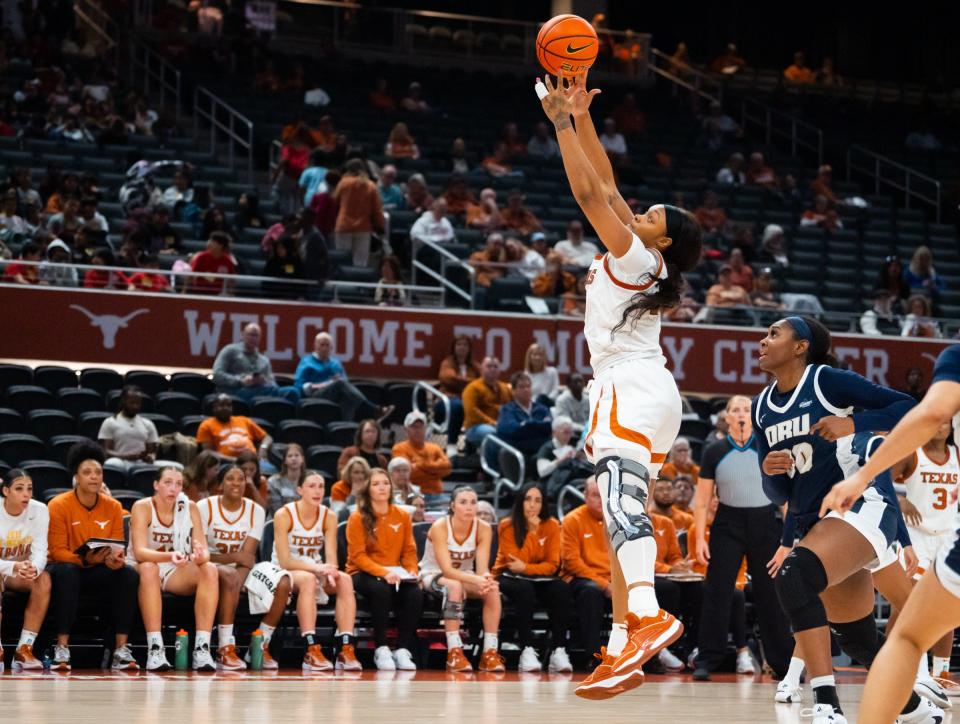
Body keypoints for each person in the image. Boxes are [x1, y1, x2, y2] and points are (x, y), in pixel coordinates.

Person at [538, 70, 703, 699]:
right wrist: (580, 116)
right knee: (620, 513)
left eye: (653, 214)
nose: (640, 209)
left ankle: (649, 613)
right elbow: (605, 182)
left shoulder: (637, 255)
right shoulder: (646, 255)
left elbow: (588, 196)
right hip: (651, 391)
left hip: (627, 385)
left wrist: (557, 125)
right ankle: (617, 649)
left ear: (664, 238)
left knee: (619, 504)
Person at [755, 316, 940, 724]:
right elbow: (781, 494)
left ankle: (826, 704)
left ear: (801, 346)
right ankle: (916, 710)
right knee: (856, 639)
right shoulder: (762, 407)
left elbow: (908, 407)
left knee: (793, 575)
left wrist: (853, 422)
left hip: (862, 505)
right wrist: (769, 471)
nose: (763, 340)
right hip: (816, 522)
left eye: (774, 334)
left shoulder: (827, 381)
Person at [819, 344, 960, 722]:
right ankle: (928, 679)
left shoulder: (955, 360)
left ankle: (931, 676)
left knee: (908, 636)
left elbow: (930, 412)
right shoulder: (907, 455)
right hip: (909, 535)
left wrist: (861, 478)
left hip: (938, 533)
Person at [690, 396, 793, 680]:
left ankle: (782, 663)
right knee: (717, 591)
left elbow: (784, 498)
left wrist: (789, 536)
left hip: (765, 523)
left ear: (755, 415)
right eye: (735, 410)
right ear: (726, 417)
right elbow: (701, 501)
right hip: (727, 524)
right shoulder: (713, 451)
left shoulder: (768, 448)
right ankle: (707, 658)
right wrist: (700, 538)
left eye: (746, 409)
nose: (741, 414)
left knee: (770, 593)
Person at [46, 442, 140, 671]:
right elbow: (57, 551)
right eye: (87, 472)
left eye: (98, 472)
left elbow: (117, 546)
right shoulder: (58, 505)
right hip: (66, 568)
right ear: (76, 477)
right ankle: (62, 648)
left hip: (98, 569)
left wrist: (115, 560)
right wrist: (86, 560)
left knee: (128, 574)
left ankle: (121, 649)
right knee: (68, 572)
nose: (94, 477)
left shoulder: (115, 507)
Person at [128, 466, 220, 671]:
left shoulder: (190, 507)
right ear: (156, 485)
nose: (174, 488)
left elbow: (204, 552)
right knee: (150, 568)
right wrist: (170, 555)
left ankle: (202, 649)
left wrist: (197, 556)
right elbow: (140, 552)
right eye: (168, 482)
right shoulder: (142, 506)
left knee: (210, 569)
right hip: (140, 567)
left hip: (174, 568)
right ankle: (155, 649)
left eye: (178, 484)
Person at [270, 471, 362, 671]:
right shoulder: (284, 514)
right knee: (308, 580)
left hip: (315, 569)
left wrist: (330, 570)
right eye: (311, 486)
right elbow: (285, 560)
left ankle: (345, 647)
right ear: (300, 490)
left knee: (344, 580)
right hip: (284, 571)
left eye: (321, 486)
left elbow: (331, 557)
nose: (317, 491)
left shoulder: (329, 515)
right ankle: (311, 649)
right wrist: (317, 568)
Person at [419, 486, 503, 672]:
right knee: (455, 587)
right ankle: (454, 652)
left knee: (493, 589)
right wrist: (476, 580)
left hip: (466, 576)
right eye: (463, 502)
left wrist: (485, 579)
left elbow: (481, 569)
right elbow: (447, 570)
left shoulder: (484, 528)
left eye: (473, 502)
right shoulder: (440, 526)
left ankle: (489, 653)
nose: (469, 507)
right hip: (433, 574)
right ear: (452, 506)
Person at [346, 468, 422, 671]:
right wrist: (384, 572)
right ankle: (381, 648)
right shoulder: (358, 517)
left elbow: (409, 550)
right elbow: (358, 557)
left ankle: (403, 650)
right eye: (376, 483)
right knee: (381, 589)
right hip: (360, 573)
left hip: (395, 571)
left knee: (415, 593)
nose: (382, 487)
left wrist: (412, 570)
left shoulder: (402, 515)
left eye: (385, 483)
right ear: (368, 489)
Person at [493, 483, 572, 672]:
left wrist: (527, 568)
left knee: (561, 588)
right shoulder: (507, 525)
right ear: (520, 502)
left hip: (537, 577)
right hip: (507, 576)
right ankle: (526, 650)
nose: (532, 505)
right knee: (524, 589)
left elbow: (553, 564)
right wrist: (533, 533)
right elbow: (514, 564)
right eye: (528, 499)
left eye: (537, 500)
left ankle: (558, 650)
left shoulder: (552, 525)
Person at [199, 465, 270, 668]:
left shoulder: (256, 510)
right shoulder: (204, 507)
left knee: (280, 583)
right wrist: (232, 557)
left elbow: (247, 558)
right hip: (206, 567)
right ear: (220, 484)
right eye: (230, 479)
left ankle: (261, 646)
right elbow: (201, 553)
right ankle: (224, 646)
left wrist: (235, 577)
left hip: (239, 571)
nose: (237, 483)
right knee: (228, 575)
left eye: (241, 478)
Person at [0, 469, 50, 670]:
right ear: (6, 491)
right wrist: (13, 566)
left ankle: (24, 649)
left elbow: (41, 550)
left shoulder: (39, 510)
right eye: (19, 489)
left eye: (29, 489)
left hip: (20, 572)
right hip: (5, 568)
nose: (26, 494)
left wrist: (34, 569)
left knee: (44, 579)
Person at [561, 476, 611, 663]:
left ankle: (648, 653)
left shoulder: (617, 519)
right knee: (591, 591)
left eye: (604, 495)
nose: (600, 500)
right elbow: (571, 562)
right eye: (596, 495)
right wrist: (604, 584)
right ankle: (594, 655)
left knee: (652, 589)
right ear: (585, 496)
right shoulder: (572, 520)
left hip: (612, 578)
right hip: (580, 577)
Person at [294, 332, 392, 422]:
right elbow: (299, 385)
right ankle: (373, 410)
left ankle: (345, 428)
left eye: (327, 345)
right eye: (321, 344)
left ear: (331, 347)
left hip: (334, 394)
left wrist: (334, 383)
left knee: (348, 396)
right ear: (315, 346)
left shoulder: (335, 363)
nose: (324, 348)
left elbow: (345, 382)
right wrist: (320, 385)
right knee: (339, 384)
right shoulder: (306, 362)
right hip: (314, 395)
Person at [212, 323, 300, 403]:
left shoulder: (264, 360)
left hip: (261, 391)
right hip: (237, 391)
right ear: (243, 335)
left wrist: (263, 381)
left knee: (292, 392)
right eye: (250, 335)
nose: (253, 338)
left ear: (260, 338)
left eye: (256, 336)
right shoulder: (230, 351)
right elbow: (217, 374)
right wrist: (241, 381)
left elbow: (273, 384)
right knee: (249, 395)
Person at [392, 411, 452, 505]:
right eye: (414, 427)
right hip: (412, 495)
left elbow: (447, 468)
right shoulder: (399, 449)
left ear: (425, 429)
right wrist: (434, 471)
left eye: (421, 427)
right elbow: (407, 474)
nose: (417, 430)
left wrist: (420, 465)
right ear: (406, 429)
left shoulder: (435, 447)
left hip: (437, 495)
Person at [333, 158, 384, 267]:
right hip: (364, 227)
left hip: (344, 225)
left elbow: (335, 201)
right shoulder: (371, 185)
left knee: (343, 260)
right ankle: (359, 282)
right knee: (361, 262)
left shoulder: (343, 183)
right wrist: (380, 226)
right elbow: (377, 209)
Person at [197, 394, 273, 465]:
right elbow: (208, 452)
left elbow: (267, 437)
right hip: (226, 463)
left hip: (254, 462)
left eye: (228, 405)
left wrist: (263, 448)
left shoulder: (244, 420)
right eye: (222, 405)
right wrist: (234, 460)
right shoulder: (206, 425)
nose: (225, 408)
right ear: (214, 408)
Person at [98, 385, 162, 471]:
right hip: (120, 462)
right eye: (132, 403)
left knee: (176, 466)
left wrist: (150, 457)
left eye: (138, 403)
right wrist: (127, 456)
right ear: (123, 401)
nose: (135, 406)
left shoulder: (148, 424)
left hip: (141, 463)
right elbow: (105, 451)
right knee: (112, 463)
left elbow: (152, 452)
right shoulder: (110, 422)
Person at [437, 335, 482, 449]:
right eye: (459, 344)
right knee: (458, 406)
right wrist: (472, 385)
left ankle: (471, 445)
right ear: (454, 347)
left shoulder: (474, 366)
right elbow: (448, 379)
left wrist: (468, 386)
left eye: (465, 345)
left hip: (468, 402)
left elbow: (482, 382)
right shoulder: (447, 362)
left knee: (475, 407)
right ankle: (452, 443)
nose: (462, 347)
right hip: (447, 401)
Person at [496, 372, 553, 458]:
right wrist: (536, 427)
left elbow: (549, 427)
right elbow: (513, 430)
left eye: (528, 386)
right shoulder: (507, 410)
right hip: (519, 451)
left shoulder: (542, 409)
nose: (526, 389)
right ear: (513, 391)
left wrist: (527, 425)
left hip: (541, 449)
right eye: (522, 387)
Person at [462, 357, 513, 451]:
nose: (492, 369)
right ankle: (492, 462)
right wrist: (492, 423)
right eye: (489, 366)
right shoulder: (472, 388)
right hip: (476, 427)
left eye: (495, 366)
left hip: (501, 425)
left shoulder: (505, 388)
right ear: (481, 369)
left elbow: (512, 407)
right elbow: (471, 412)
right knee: (494, 433)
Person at [537, 415, 590, 500]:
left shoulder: (571, 446)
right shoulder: (547, 448)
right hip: (549, 484)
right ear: (554, 432)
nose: (568, 436)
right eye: (565, 432)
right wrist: (561, 460)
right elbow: (542, 472)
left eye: (570, 433)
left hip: (567, 481)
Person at [187, 231, 236, 295]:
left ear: (220, 245)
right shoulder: (201, 257)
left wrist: (230, 294)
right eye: (209, 241)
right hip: (199, 292)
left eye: (213, 242)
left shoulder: (227, 261)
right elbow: (191, 276)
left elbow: (231, 280)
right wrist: (185, 291)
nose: (209, 243)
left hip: (218, 294)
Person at [266, 443, 307, 516]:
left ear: (302, 459)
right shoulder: (273, 482)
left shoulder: (309, 481)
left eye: (297, 455)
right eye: (290, 456)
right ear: (285, 460)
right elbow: (276, 510)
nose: (293, 458)